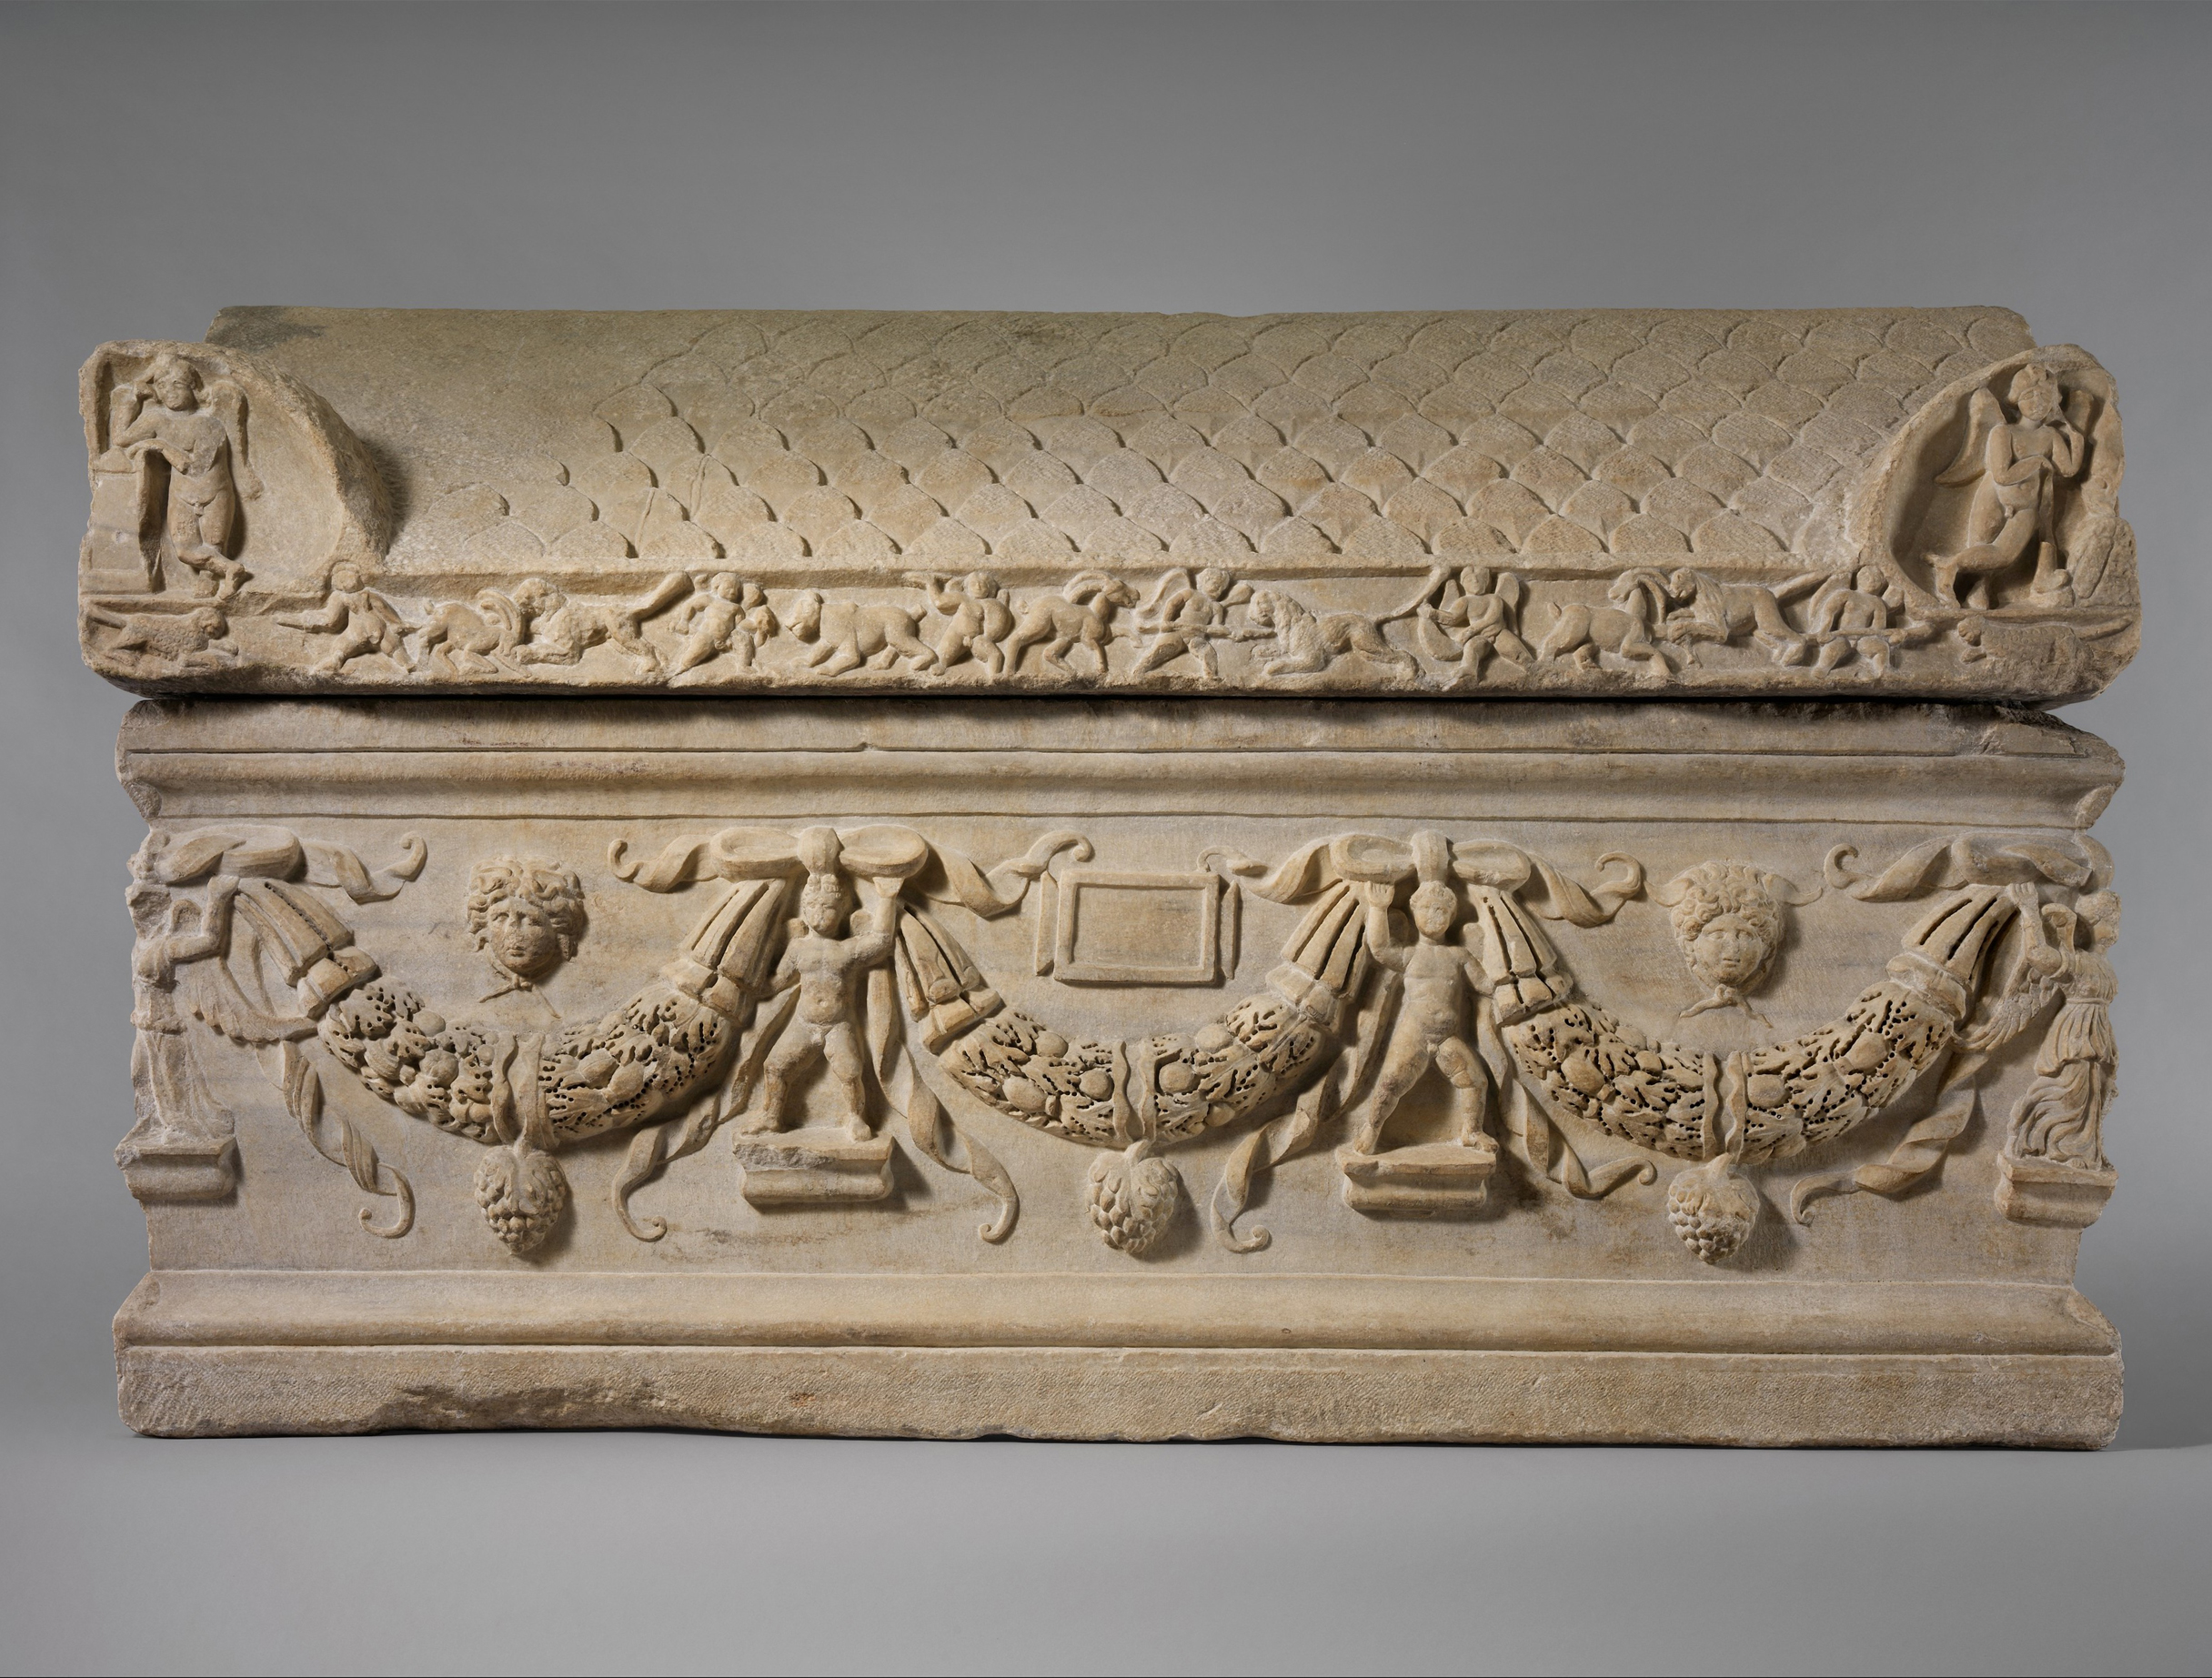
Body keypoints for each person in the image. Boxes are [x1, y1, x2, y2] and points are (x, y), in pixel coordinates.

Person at [748, 871, 899, 1139]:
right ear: (804, 909)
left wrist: (888, 897)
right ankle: (771, 1116)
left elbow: (882, 942)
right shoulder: (798, 948)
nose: (819, 914)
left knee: (850, 1073)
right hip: (804, 1024)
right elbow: (778, 981)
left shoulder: (848, 950)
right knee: (774, 1067)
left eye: (828, 907)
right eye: (812, 906)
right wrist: (750, 984)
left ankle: (855, 1118)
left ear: (841, 910)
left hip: (837, 1025)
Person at [110, 351, 259, 600]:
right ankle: (231, 569)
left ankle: (209, 577)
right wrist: (133, 398)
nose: (170, 392)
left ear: (193, 388)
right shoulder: (156, 420)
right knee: (184, 551)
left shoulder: (209, 425)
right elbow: (121, 439)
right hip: (181, 497)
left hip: (215, 494)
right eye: (162, 386)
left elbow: (196, 467)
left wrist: (159, 445)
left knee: (213, 544)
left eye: (177, 384)